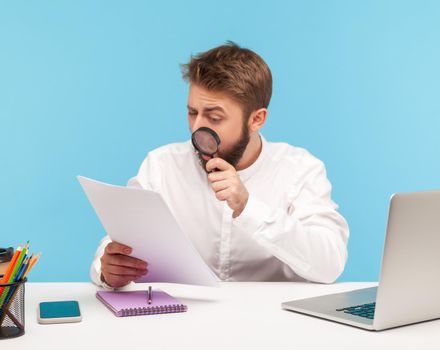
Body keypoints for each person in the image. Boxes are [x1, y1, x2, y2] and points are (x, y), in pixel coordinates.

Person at [90, 42, 349, 289]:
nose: (197, 129)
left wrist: (248, 207)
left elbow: (330, 264)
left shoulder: (300, 169)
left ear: (256, 119)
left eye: (214, 117)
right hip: (182, 322)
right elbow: (118, 240)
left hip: (272, 323)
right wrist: (107, 268)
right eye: (192, 112)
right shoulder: (161, 166)